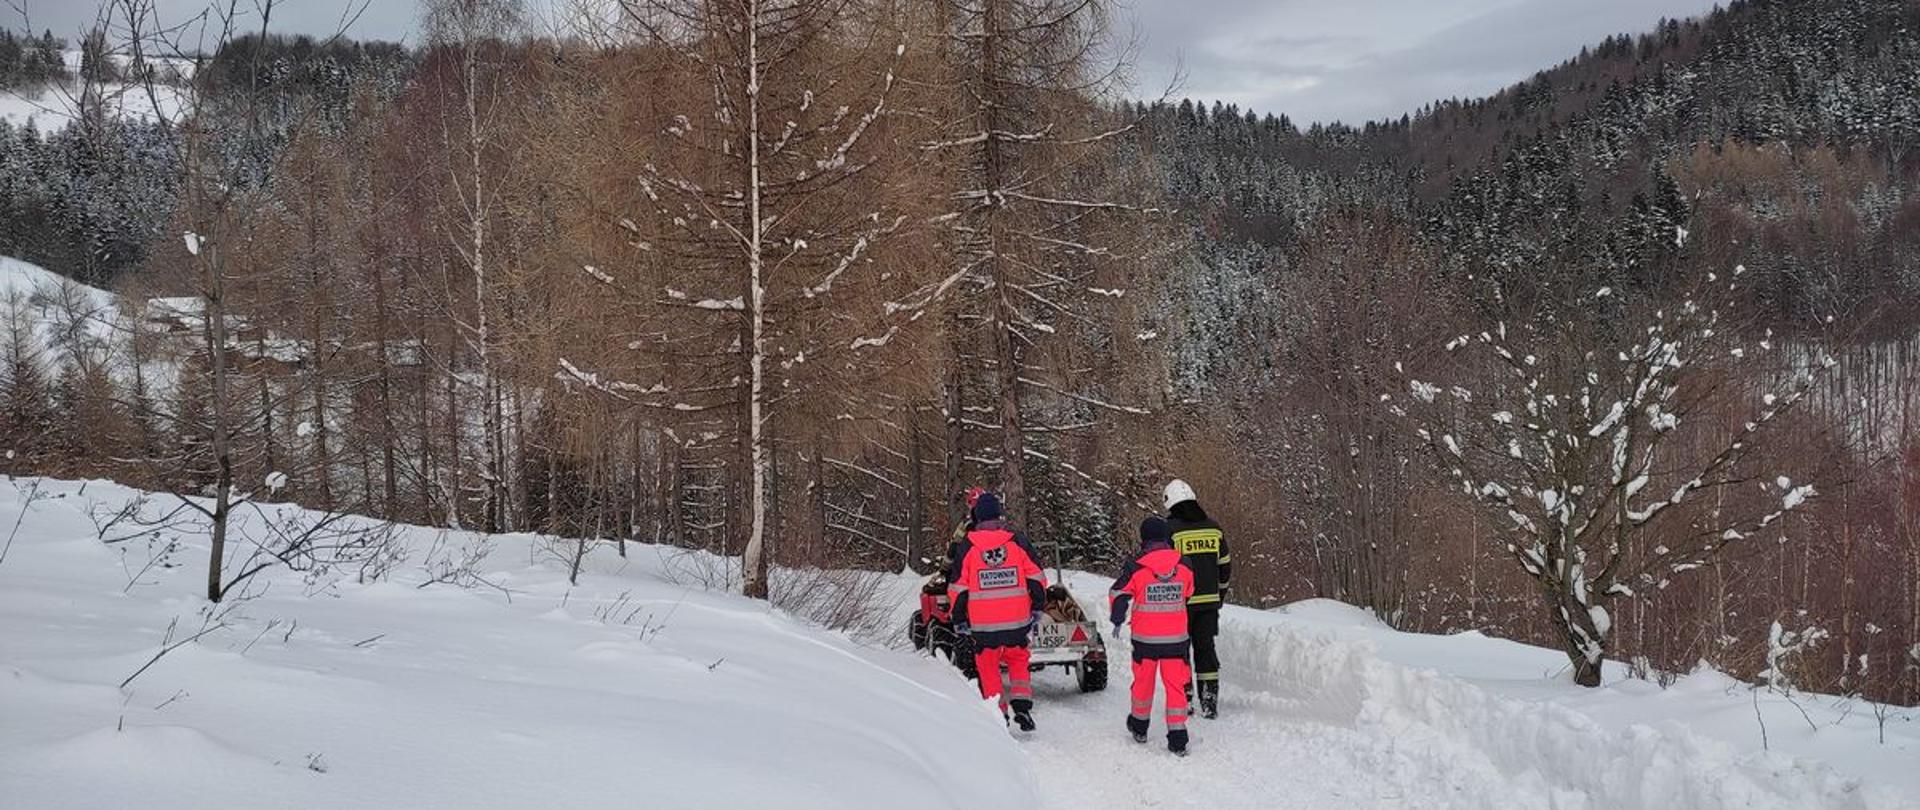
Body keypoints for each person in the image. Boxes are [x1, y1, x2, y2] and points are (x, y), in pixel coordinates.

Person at [949, 492, 1048, 731]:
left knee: (988, 666)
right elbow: (1037, 578)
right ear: (999, 515)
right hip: (1016, 620)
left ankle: (998, 714)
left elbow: (958, 588)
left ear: (977, 516)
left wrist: (959, 618)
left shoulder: (968, 546)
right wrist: (1037, 606)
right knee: (1018, 660)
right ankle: (1022, 708)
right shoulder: (1016, 541)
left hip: (983, 625)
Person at [1109, 516, 1196, 755]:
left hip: (1145, 640)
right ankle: (1178, 737)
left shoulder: (1136, 566)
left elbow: (1118, 593)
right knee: (1176, 686)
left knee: (1143, 683)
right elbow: (1189, 591)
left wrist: (1117, 619)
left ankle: (1139, 726)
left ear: (1144, 539)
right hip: (1176, 640)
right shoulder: (1184, 564)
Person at [1165, 479, 1229, 719]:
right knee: (1206, 650)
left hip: (1180, 604)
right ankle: (1209, 700)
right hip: (1209, 603)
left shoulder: (1169, 531)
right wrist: (1219, 595)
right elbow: (1225, 565)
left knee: (1180, 651)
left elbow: (1164, 569)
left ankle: (1185, 697)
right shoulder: (1214, 528)